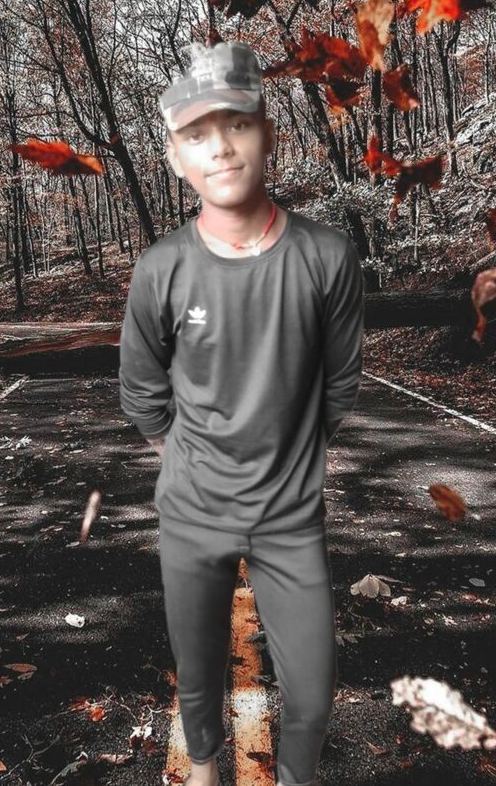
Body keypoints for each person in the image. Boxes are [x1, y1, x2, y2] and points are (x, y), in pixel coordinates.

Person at [118, 40, 364, 786]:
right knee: (197, 673)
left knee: (312, 694)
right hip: (193, 512)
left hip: (290, 516)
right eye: (197, 134)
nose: (221, 147)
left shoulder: (327, 256)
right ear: (175, 158)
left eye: (237, 124)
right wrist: (190, 463)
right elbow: (142, 390)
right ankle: (203, 770)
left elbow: (340, 382)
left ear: (268, 133)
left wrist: (288, 457)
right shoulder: (161, 268)